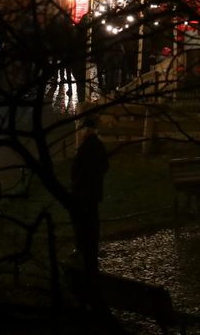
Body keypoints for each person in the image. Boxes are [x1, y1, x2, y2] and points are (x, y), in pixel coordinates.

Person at [69, 116, 110, 281]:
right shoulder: (98, 145)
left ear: (88, 130)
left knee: (81, 220)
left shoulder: (87, 146)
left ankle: (83, 247)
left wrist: (79, 180)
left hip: (83, 191)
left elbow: (78, 169)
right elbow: (105, 166)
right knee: (92, 218)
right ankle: (90, 247)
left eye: (84, 129)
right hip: (93, 190)